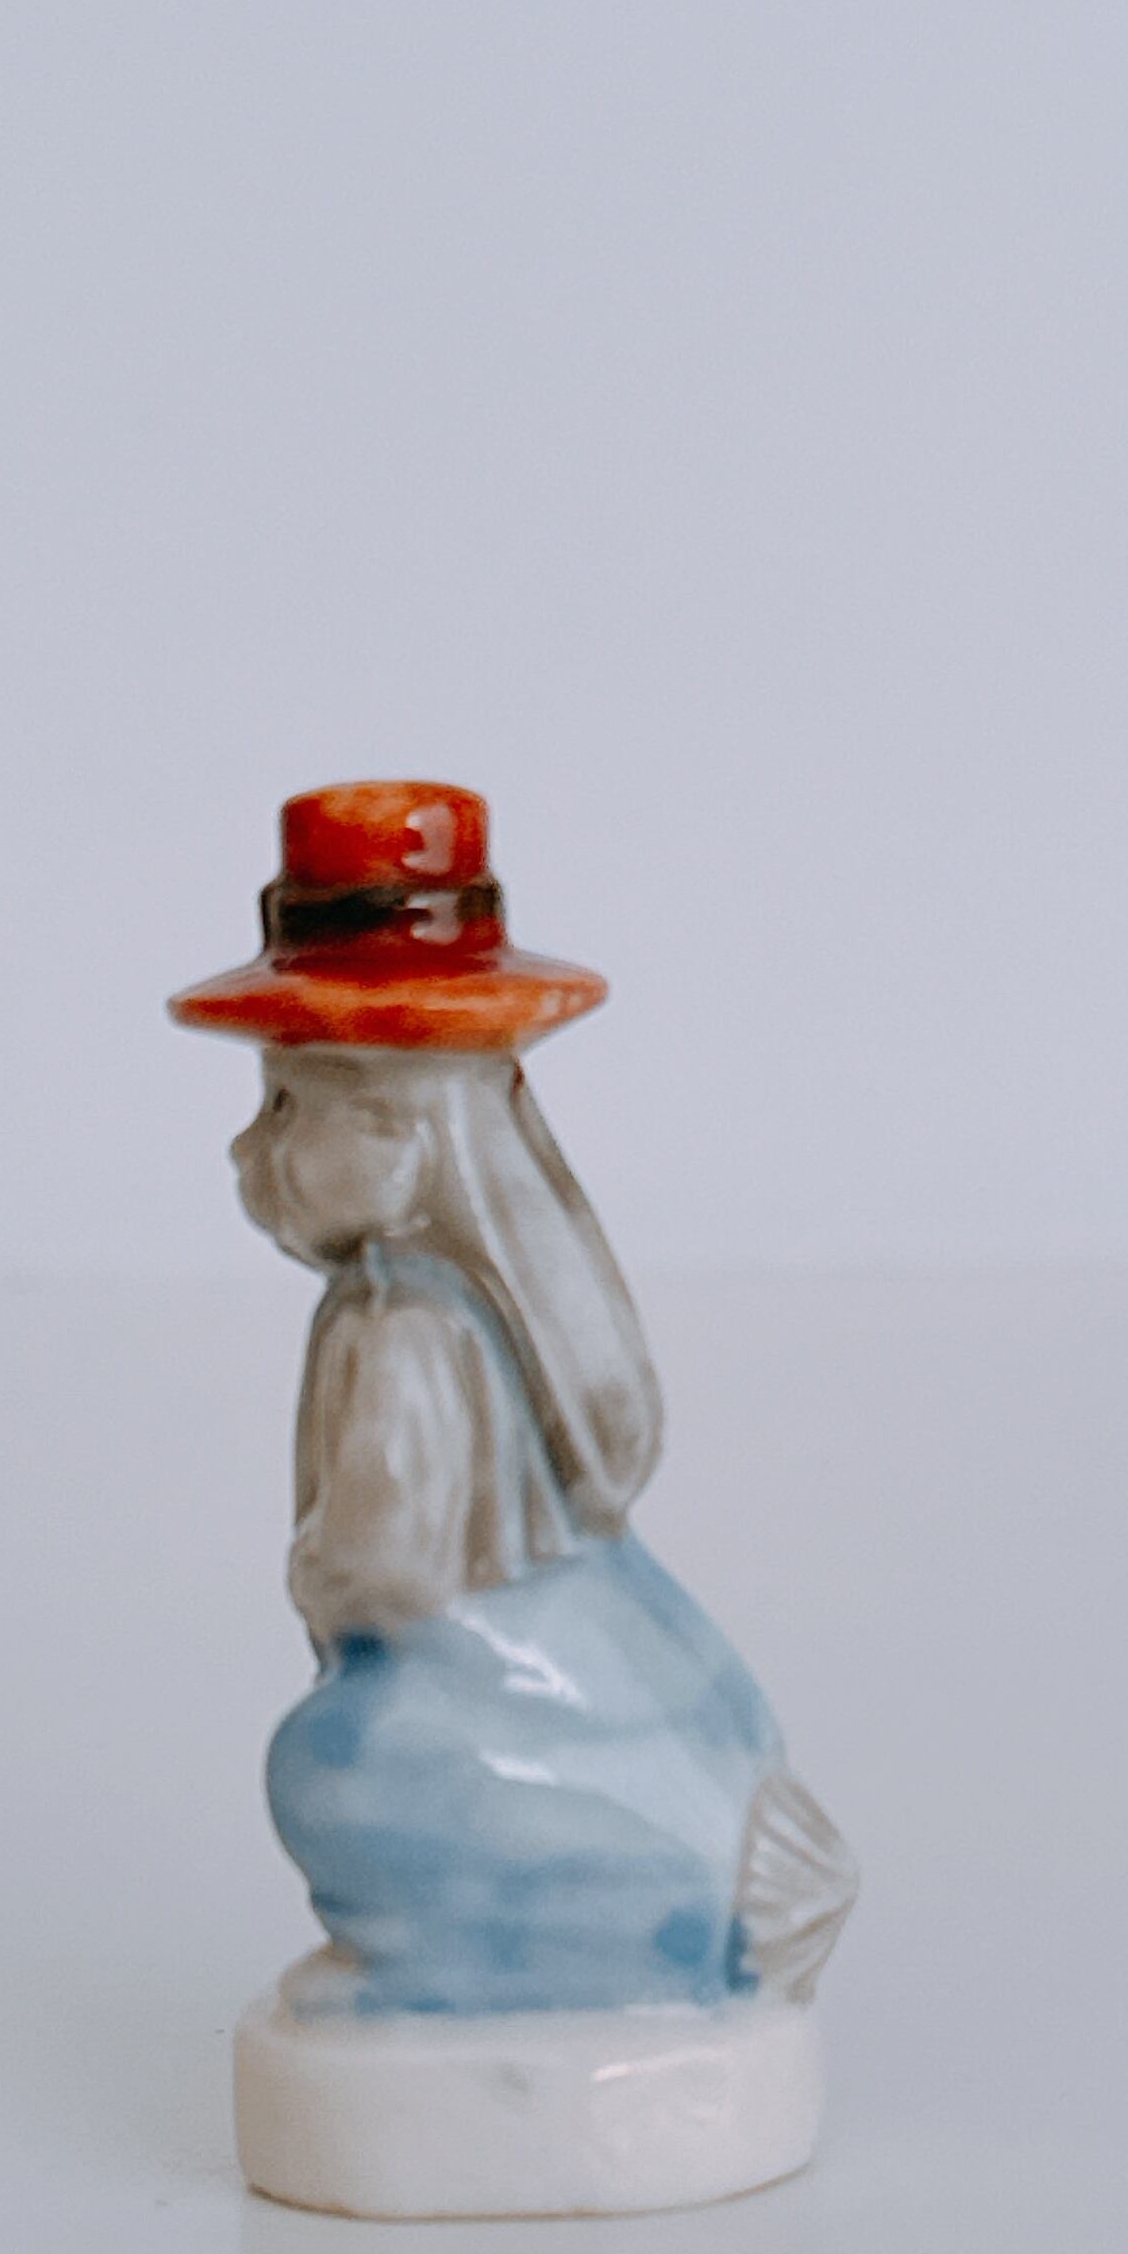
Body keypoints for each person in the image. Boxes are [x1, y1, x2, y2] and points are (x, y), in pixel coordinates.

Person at [175, 784, 855, 2019]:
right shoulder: (494, 1310)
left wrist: (317, 1572)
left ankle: (465, 1969)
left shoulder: (397, 1322)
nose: (249, 1152)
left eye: (286, 1109)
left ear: (401, 1139)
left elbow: (382, 1568)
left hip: (473, 1689)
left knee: (323, 1762)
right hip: (619, 1694)